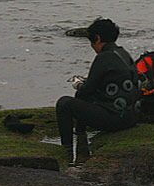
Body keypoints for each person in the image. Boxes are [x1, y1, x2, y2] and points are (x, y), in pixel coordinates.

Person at [56, 18, 140, 158]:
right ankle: (80, 134)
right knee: (81, 97)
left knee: (64, 103)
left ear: (97, 38)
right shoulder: (123, 53)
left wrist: (78, 84)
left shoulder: (103, 57)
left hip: (115, 120)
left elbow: (87, 89)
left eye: (91, 41)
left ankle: (67, 149)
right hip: (131, 117)